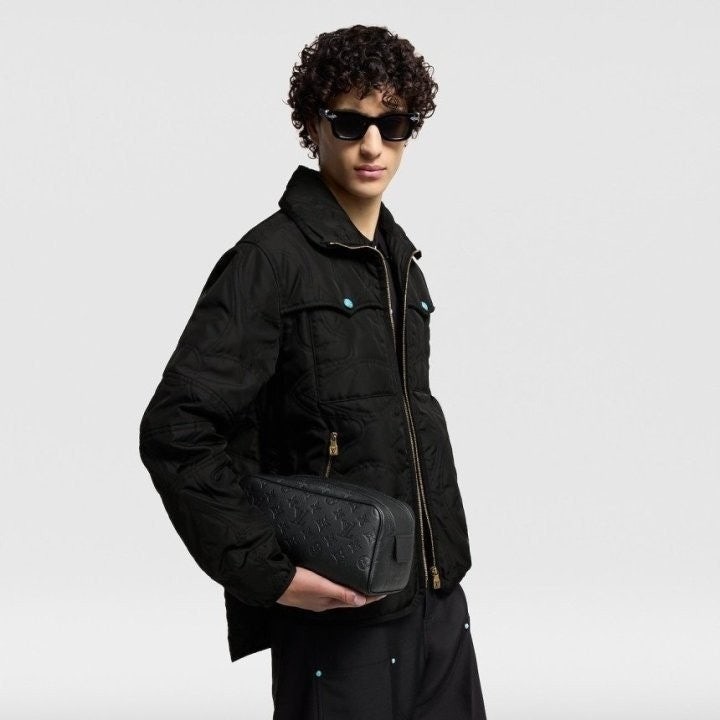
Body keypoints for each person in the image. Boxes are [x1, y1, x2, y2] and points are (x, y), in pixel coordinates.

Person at [139, 24, 488, 720]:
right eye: (350, 122)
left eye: (392, 124)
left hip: (436, 601)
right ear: (313, 124)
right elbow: (177, 429)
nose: (372, 145)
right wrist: (269, 574)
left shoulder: (401, 263)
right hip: (339, 615)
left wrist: (439, 579)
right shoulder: (269, 262)